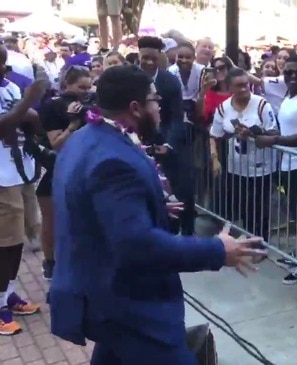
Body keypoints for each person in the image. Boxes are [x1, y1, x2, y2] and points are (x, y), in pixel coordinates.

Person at [49, 65, 265, 364]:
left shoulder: (85, 139)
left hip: (105, 297)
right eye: (155, 100)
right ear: (136, 107)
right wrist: (216, 250)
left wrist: (149, 206)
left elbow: (88, 205)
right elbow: (138, 246)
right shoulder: (113, 160)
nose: (160, 107)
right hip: (129, 305)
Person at [254, 54, 297, 285]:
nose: (292, 76)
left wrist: (274, 141)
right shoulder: (289, 95)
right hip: (288, 164)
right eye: (288, 72)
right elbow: (285, 128)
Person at [0, 45, 48, 336]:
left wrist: (27, 114)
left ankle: (10, 294)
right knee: (5, 243)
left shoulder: (8, 86)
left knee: (20, 239)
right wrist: (28, 101)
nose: (4, 68)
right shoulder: (19, 89)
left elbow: (28, 121)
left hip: (21, 170)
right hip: (1, 178)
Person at [37, 66, 93, 280]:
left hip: (83, 171)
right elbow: (56, 144)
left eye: (88, 87)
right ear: (66, 85)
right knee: (51, 222)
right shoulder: (53, 107)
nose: (84, 91)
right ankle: (50, 262)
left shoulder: (89, 105)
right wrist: (73, 124)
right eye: (81, 87)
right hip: (58, 171)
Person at [210, 68, 278, 243]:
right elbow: (214, 135)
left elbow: (274, 133)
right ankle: (243, 240)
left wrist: (254, 134)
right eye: (239, 86)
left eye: (246, 84)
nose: (244, 89)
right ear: (230, 87)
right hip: (236, 166)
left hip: (261, 166)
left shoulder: (262, 104)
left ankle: (259, 244)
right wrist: (215, 159)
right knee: (238, 204)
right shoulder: (223, 108)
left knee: (259, 209)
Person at [137, 36, 193, 236]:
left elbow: (177, 116)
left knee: (181, 188)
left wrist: (169, 144)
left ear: (160, 56)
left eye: (154, 57)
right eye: (145, 58)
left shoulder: (170, 81)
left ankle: (185, 232)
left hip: (169, 142)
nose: (150, 62)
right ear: (139, 55)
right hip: (139, 140)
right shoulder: (131, 78)